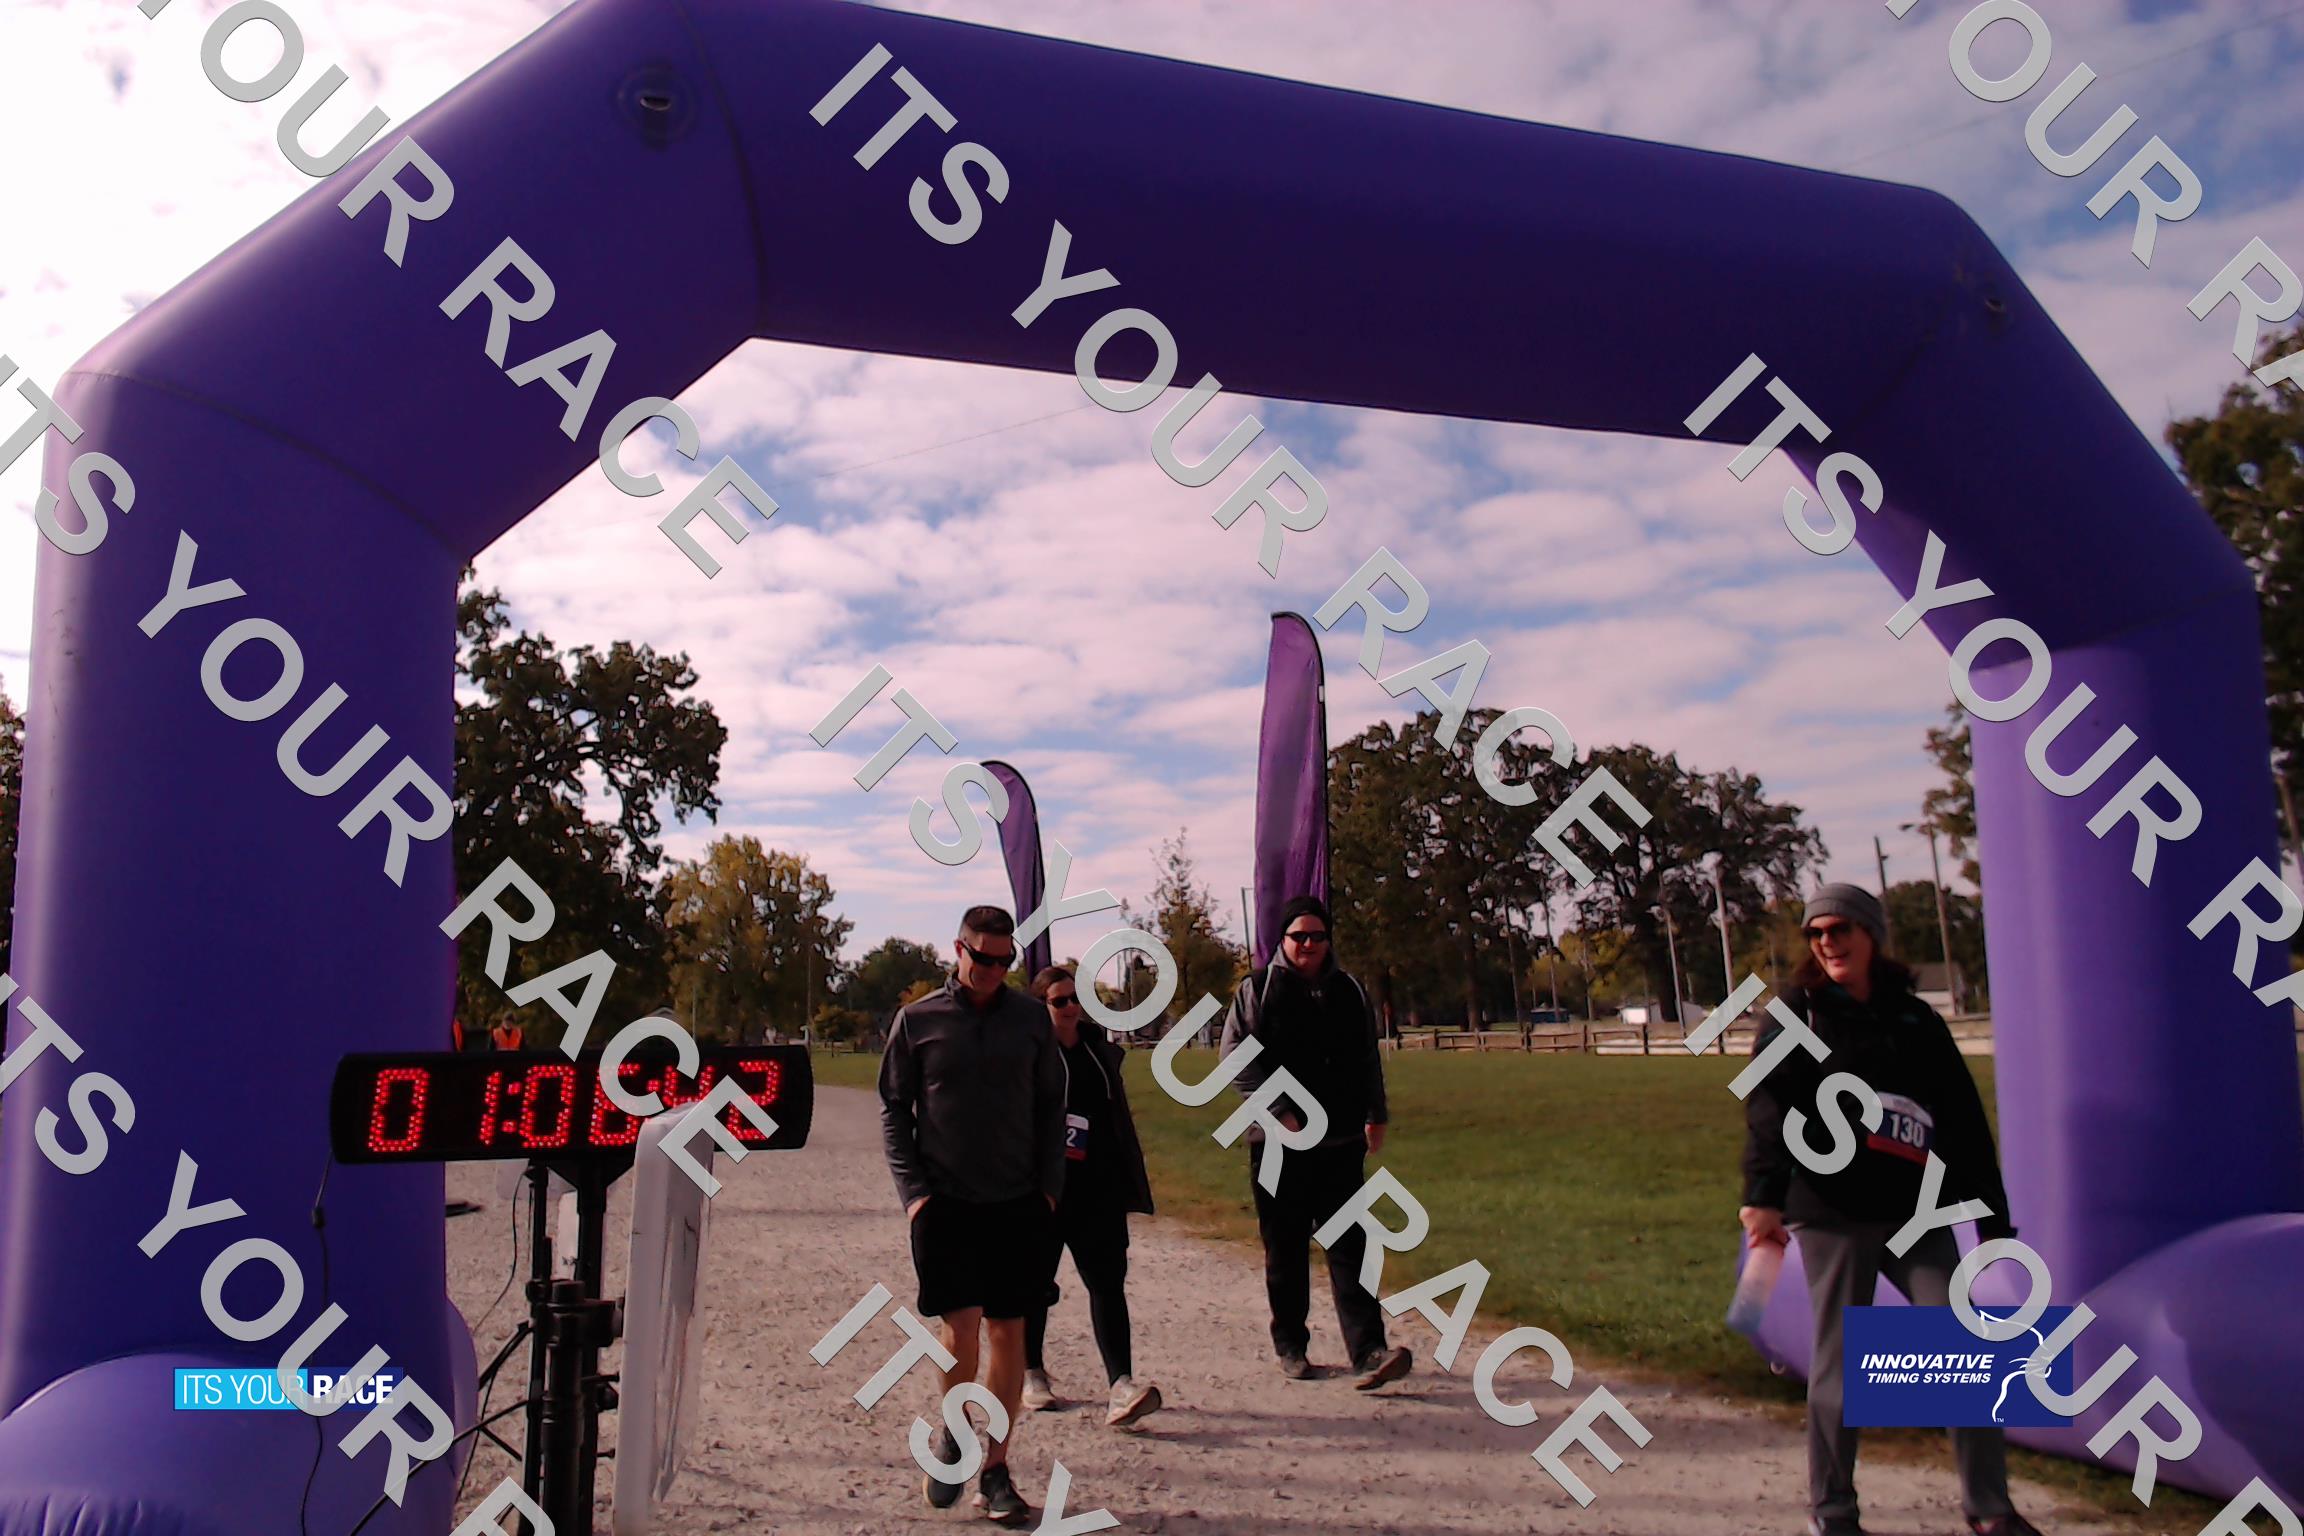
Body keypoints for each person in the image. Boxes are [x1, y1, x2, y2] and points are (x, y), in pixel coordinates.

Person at [1740, 883, 2043, 1536]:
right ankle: (1833, 1511)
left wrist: (1991, 1218)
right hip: (1831, 1211)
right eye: (1817, 933)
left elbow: (1961, 1121)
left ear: (1871, 934)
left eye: (1840, 929)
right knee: (1841, 1360)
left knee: (1964, 1348)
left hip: (1916, 1213)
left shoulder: (1914, 1019)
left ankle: (1990, 1508)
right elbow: (1767, 1110)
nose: (1828, 942)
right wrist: (1762, 1196)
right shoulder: (1797, 1014)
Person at [878, 905, 1066, 1525]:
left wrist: (1049, 1190)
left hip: (1018, 1203)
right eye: (982, 957)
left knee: (1009, 1333)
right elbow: (894, 1109)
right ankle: (954, 1434)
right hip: (946, 1203)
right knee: (959, 1330)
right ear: (957, 949)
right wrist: (915, 1196)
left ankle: (996, 1470)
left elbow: (1051, 1106)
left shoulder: (1031, 1021)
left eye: (1004, 960)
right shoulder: (918, 1021)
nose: (991, 969)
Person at [1217, 895, 1412, 1390]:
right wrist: (1281, 1111)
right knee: (1285, 1249)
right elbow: (1235, 1056)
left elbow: (1367, 1057)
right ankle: (1292, 1346)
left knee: (1351, 1247)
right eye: (1299, 936)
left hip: (1340, 1142)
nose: (1308, 944)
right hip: (1278, 1146)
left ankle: (1369, 1350)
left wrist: (1376, 1114)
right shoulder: (1258, 989)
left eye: (1317, 936)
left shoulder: (1349, 990)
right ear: (1283, 940)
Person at [1019, 966, 1165, 1428]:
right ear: (1041, 1007)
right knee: (1034, 1285)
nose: (1070, 1008)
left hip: (1098, 1188)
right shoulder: (1028, 1055)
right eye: (1059, 1001)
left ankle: (1121, 1384)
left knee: (1107, 1285)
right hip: (1045, 1192)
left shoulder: (1098, 1051)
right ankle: (1032, 1372)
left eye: (1075, 998)